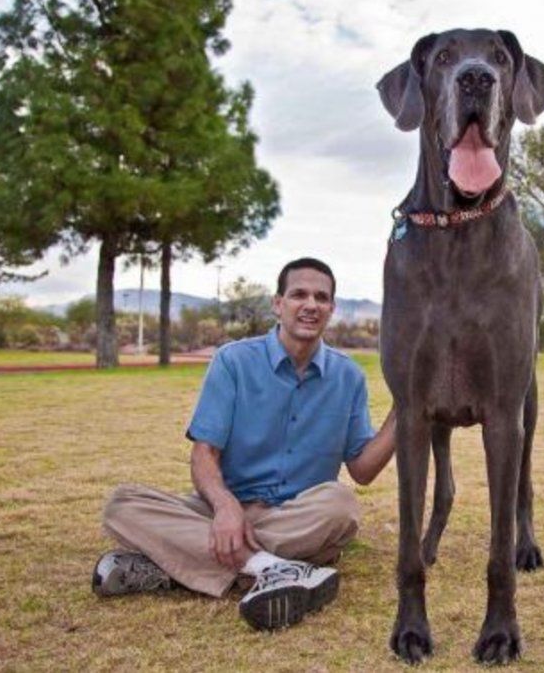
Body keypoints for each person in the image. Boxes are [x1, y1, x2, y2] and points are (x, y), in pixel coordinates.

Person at [91, 257, 397, 631]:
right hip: (222, 510)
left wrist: (406, 409)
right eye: (299, 294)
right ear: (277, 303)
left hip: (296, 518)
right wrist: (225, 508)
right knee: (122, 505)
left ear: (331, 309)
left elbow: (362, 471)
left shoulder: (348, 376)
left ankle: (172, 568)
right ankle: (271, 568)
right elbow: (205, 453)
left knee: (341, 505)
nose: (310, 304)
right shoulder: (233, 361)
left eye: (321, 297)